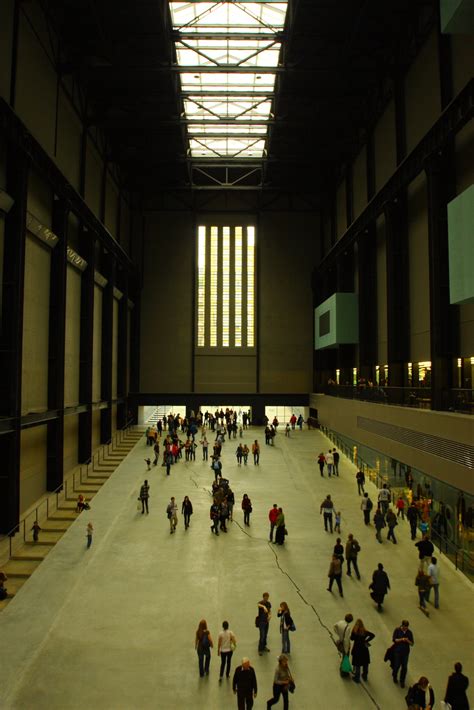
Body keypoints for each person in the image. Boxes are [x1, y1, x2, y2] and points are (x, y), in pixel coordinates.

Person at [391, 620, 414, 688]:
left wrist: (407, 640)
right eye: (404, 627)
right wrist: (402, 639)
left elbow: (412, 643)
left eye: (406, 627)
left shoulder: (409, 633)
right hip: (397, 651)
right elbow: (394, 639)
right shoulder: (397, 630)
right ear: (402, 625)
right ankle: (394, 676)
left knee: (404, 667)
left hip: (405, 652)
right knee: (397, 665)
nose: (405, 629)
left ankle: (402, 680)